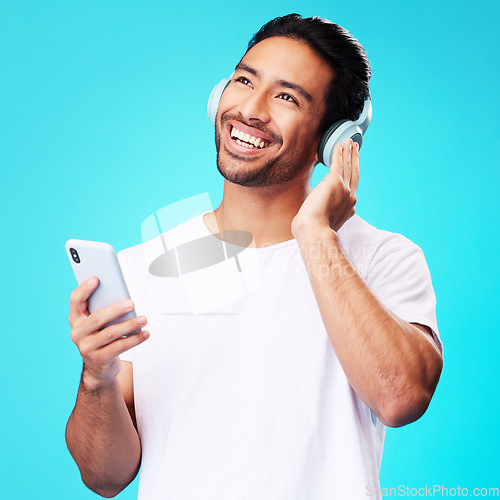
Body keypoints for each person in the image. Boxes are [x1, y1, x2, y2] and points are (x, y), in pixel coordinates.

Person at [66, 14, 443, 500]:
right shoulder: (146, 265)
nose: (251, 109)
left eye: (287, 97)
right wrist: (97, 378)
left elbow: (400, 399)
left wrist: (314, 233)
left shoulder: (384, 258)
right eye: (244, 80)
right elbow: (104, 477)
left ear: (334, 139)